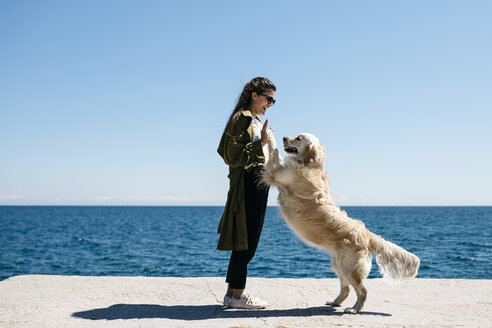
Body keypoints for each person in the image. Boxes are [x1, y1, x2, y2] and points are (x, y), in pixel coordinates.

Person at [217, 77, 276, 309]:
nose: (270, 104)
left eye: (273, 101)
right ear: (254, 95)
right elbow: (229, 155)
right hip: (248, 185)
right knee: (247, 242)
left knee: (245, 241)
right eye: (268, 99)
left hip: (257, 184)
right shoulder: (242, 118)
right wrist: (260, 141)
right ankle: (239, 295)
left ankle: (232, 294)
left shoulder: (254, 119)